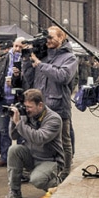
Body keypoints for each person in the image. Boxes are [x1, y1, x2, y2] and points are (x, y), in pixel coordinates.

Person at [20, 26, 78, 181]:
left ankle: (65, 171)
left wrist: (39, 64)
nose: (48, 40)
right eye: (46, 38)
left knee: (63, 141)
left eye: (51, 37)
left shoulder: (70, 58)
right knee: (38, 140)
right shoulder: (43, 55)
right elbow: (30, 78)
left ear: (61, 38)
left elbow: (63, 76)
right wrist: (26, 61)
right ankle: (39, 168)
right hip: (40, 107)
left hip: (58, 106)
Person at [4, 88, 64, 198]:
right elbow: (14, 137)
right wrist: (13, 120)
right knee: (14, 150)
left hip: (50, 160)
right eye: (25, 106)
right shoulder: (26, 114)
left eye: (29, 107)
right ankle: (14, 191)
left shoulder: (54, 119)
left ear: (40, 105)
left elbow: (39, 139)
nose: (26, 110)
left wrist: (19, 123)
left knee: (37, 180)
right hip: (32, 156)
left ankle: (60, 185)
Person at [0, 37, 26, 167]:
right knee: (3, 130)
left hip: (20, 100)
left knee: (21, 130)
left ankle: (21, 158)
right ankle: (4, 156)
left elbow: (30, 81)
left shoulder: (27, 61)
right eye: (16, 46)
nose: (17, 49)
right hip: (3, 99)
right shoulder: (3, 60)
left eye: (20, 47)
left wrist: (18, 80)